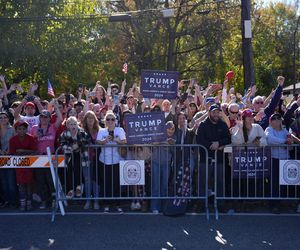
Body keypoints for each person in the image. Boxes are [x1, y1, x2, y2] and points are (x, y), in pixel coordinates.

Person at [30, 102, 63, 209]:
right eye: (42, 117)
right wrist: (35, 136)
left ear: (49, 118)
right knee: (40, 180)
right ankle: (44, 200)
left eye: (46, 117)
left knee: (51, 180)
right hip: (38, 157)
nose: (44, 119)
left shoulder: (53, 127)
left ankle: (54, 200)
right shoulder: (34, 128)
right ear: (39, 118)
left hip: (51, 157)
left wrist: (56, 107)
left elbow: (60, 119)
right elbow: (30, 141)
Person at [196, 103, 231, 197]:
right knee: (203, 181)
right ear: (209, 113)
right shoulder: (203, 125)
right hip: (205, 159)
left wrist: (219, 143)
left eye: (217, 112)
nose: (216, 114)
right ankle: (202, 203)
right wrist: (211, 145)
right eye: (214, 112)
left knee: (220, 181)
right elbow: (199, 140)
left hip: (219, 159)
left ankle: (220, 203)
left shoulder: (223, 124)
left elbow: (228, 138)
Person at [96, 111, 126, 213]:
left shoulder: (120, 129)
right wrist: (104, 141)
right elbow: (97, 141)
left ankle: (117, 204)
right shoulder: (102, 131)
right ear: (105, 121)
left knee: (116, 183)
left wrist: (116, 140)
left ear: (115, 121)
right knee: (106, 183)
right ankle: (106, 205)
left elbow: (124, 141)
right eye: (108, 119)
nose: (110, 121)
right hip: (104, 161)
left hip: (117, 160)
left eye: (112, 119)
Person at [265, 113, 292, 212]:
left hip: (285, 159)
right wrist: (284, 141)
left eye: (278, 118)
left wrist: (289, 142)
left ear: (281, 120)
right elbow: (270, 139)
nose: (276, 120)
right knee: (274, 183)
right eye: (274, 119)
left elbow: (290, 146)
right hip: (274, 158)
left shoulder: (285, 131)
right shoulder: (269, 129)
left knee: (285, 182)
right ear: (271, 121)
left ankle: (283, 202)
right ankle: (274, 204)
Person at [59, 116, 91, 199]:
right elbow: (62, 144)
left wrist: (78, 145)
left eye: (74, 124)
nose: (73, 126)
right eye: (71, 124)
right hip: (69, 156)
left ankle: (79, 187)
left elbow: (88, 140)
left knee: (78, 170)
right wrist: (71, 148)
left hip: (81, 155)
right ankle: (70, 190)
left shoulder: (82, 132)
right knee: (69, 172)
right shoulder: (65, 133)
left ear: (77, 124)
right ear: (68, 125)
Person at [9, 120, 37, 211]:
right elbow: (12, 153)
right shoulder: (12, 140)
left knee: (29, 183)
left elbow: (35, 151)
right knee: (21, 184)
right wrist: (23, 152)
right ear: (16, 130)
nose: (22, 131)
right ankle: (22, 202)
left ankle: (29, 202)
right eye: (19, 129)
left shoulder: (31, 138)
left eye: (24, 129)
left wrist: (21, 151)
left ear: (26, 129)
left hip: (29, 165)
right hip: (19, 166)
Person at [81, 111, 100, 210]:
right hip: (85, 158)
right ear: (85, 119)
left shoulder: (99, 130)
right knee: (87, 180)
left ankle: (96, 201)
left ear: (95, 119)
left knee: (96, 180)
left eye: (92, 118)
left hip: (97, 158)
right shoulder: (82, 131)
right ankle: (88, 201)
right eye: (88, 118)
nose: (90, 119)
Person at [0, 112, 17, 208]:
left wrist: (8, 151)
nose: (3, 119)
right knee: (3, 181)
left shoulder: (12, 129)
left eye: (4, 117)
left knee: (11, 180)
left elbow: (15, 142)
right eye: (1, 117)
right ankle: (6, 200)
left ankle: (13, 201)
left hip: (10, 157)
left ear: (8, 119)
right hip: (0, 158)